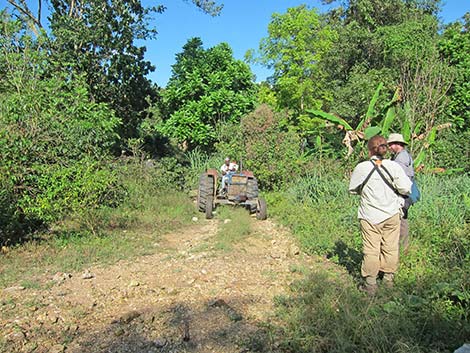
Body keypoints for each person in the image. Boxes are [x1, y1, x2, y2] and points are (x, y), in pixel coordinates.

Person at [349, 135, 412, 295]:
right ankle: (388, 280)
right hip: (391, 214)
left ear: (370, 150)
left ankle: (370, 284)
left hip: (370, 214)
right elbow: (406, 189)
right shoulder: (394, 167)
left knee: (371, 249)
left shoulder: (362, 167)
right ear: (385, 149)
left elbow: (352, 189)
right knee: (390, 247)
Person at [387, 133, 414, 254]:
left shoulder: (401, 158)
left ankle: (402, 249)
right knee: (402, 219)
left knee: (401, 220)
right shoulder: (400, 156)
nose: (389, 147)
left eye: (391, 145)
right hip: (405, 192)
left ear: (397, 144)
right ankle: (402, 248)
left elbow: (399, 178)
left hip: (403, 193)